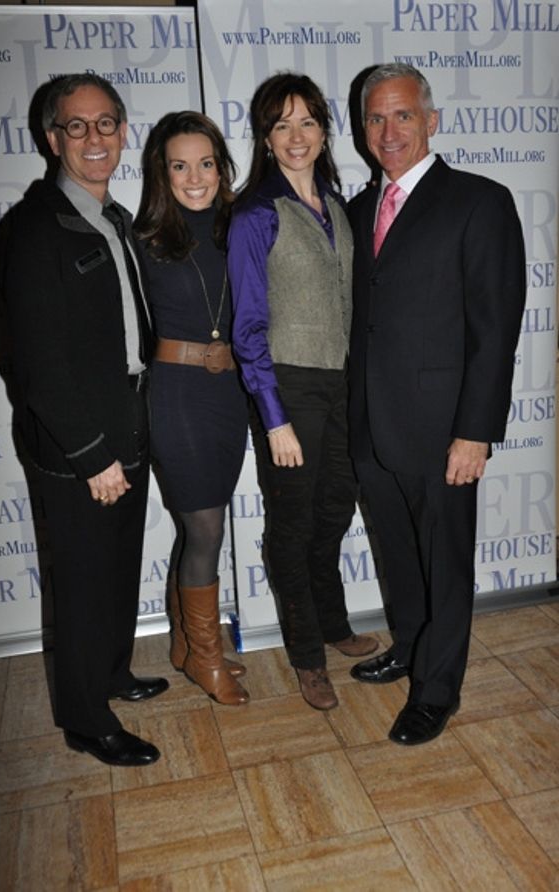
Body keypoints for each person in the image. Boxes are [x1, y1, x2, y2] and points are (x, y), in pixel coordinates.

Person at [348, 63, 526, 745]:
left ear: (431, 120)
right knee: (398, 555)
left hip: (445, 428)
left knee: (445, 563)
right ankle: (411, 647)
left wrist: (475, 432)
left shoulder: (481, 202)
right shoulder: (361, 208)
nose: (389, 131)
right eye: (375, 118)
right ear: (363, 128)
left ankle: (436, 689)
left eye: (402, 115)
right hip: (373, 426)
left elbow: (494, 328)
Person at [0, 74, 168, 766]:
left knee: (117, 568)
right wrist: (93, 454)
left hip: (127, 424)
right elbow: (40, 368)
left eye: (107, 124)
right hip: (80, 448)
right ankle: (82, 717)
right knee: (79, 582)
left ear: (124, 132)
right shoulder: (34, 231)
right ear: (52, 138)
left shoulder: (114, 216)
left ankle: (111, 674)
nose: (95, 138)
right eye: (77, 126)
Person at [228, 72, 378, 712]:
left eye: (308, 122)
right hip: (288, 386)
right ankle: (307, 658)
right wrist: (275, 419)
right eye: (282, 124)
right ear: (266, 136)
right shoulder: (254, 215)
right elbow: (247, 328)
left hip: (343, 385)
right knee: (291, 527)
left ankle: (334, 623)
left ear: (323, 131)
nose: (297, 136)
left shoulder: (337, 204)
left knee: (335, 510)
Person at [135, 111, 249, 706]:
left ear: (221, 166)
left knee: (204, 526)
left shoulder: (242, 227)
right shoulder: (145, 239)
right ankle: (205, 658)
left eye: (205, 163)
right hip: (177, 395)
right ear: (162, 172)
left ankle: (186, 643)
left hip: (229, 393)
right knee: (204, 527)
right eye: (180, 165)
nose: (195, 177)